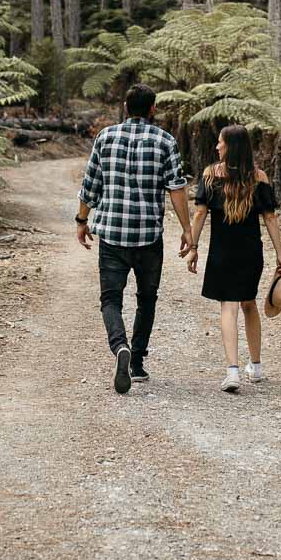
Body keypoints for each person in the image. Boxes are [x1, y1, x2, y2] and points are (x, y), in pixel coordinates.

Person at [76, 83, 192, 394]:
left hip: (112, 236)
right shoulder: (165, 141)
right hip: (148, 236)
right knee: (146, 298)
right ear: (152, 108)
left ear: (126, 107)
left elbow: (91, 184)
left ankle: (120, 347)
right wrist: (187, 229)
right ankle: (137, 362)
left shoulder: (106, 136)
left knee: (111, 299)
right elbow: (176, 188)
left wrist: (81, 220)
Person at [182, 124, 281, 393]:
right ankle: (257, 366)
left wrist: (193, 246)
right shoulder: (259, 177)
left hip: (222, 252)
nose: (217, 147)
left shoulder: (210, 175)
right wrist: (280, 255)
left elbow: (200, 214)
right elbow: (270, 217)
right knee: (248, 304)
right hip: (251, 252)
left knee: (229, 307)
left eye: (220, 143)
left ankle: (233, 372)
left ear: (231, 146)